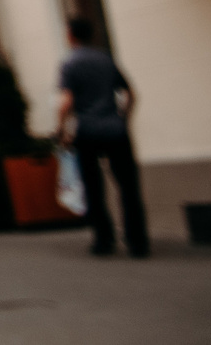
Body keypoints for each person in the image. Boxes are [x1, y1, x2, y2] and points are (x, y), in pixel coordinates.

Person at [56, 16, 146, 257]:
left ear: (71, 35)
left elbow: (66, 102)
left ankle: (104, 240)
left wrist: (61, 130)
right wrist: (123, 118)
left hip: (87, 131)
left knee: (93, 187)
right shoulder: (106, 58)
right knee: (128, 186)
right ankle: (137, 242)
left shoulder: (70, 64)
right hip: (116, 129)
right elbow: (130, 93)